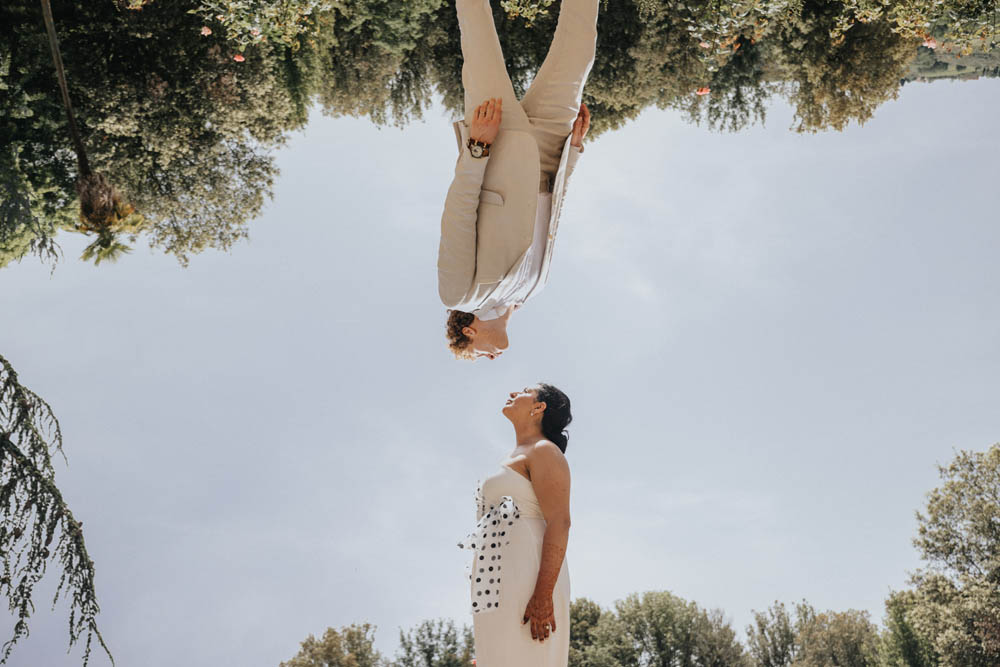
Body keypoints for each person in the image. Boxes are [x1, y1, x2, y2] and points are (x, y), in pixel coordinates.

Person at [438, 0, 599, 360]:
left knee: (478, 37)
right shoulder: (532, 291)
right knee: (581, 49)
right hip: (549, 153)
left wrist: (477, 144)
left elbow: (459, 214)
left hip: (497, 144)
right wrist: (571, 154)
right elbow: (551, 215)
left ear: (468, 331)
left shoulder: (459, 295)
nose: (491, 359)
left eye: (478, 355)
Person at [458, 383, 573, 665]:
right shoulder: (509, 458)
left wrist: (543, 596)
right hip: (495, 581)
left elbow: (560, 522)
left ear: (539, 407)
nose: (512, 392)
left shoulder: (543, 450)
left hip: (530, 577)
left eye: (523, 390)